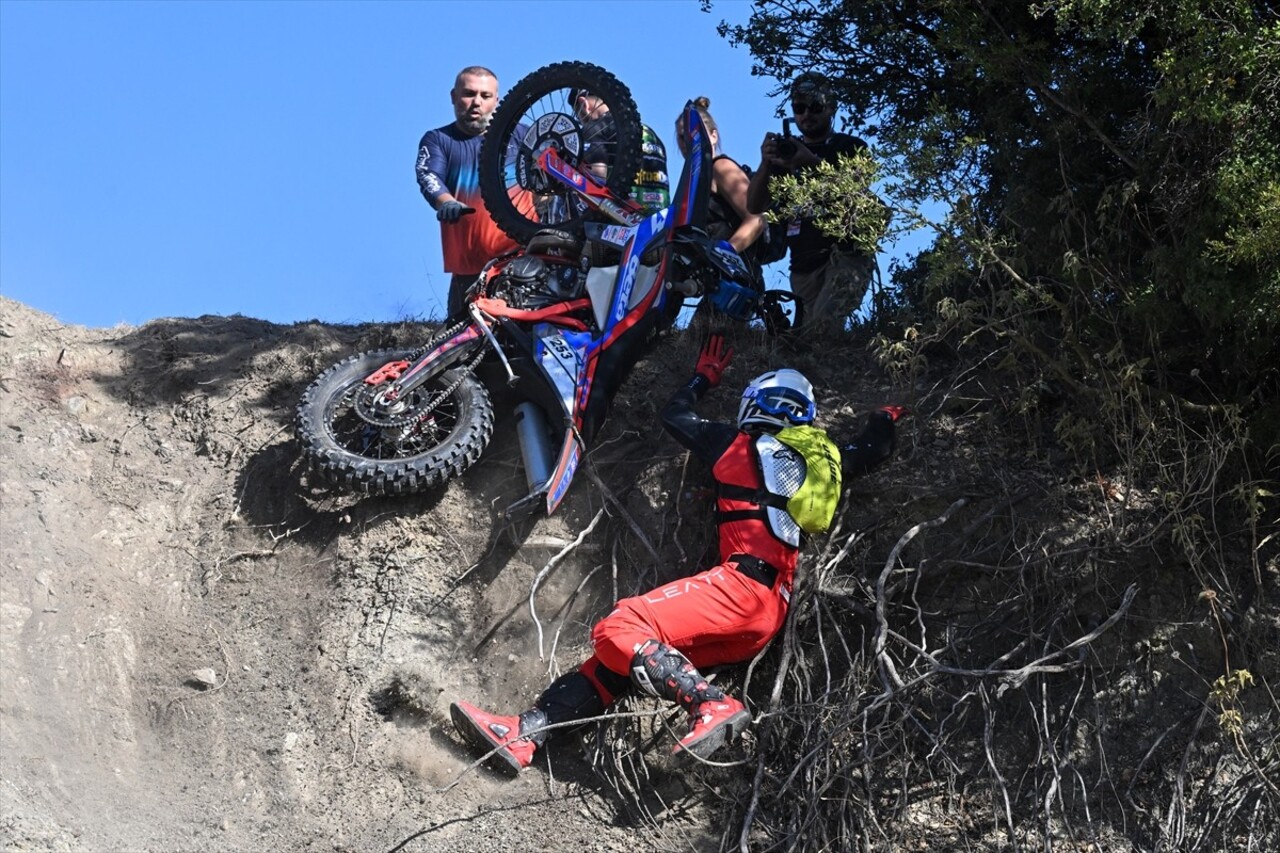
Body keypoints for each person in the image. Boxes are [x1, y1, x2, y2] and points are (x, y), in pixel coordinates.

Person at [450, 334, 905, 774]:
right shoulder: (826, 464)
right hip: (769, 616)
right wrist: (885, 415)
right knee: (614, 663)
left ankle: (711, 704)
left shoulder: (736, 444)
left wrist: (703, 377)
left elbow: (676, 414)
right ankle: (524, 734)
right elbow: (874, 447)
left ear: (756, 404)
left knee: (618, 628)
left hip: (739, 588)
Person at [746, 72, 877, 336]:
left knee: (823, 329)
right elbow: (754, 206)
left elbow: (858, 191)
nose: (807, 114)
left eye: (816, 107)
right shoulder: (787, 153)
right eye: (799, 108)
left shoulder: (851, 147)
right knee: (806, 340)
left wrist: (810, 163)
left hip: (845, 256)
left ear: (831, 107)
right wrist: (766, 164)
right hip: (803, 264)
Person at [417, 66, 521, 320]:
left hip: (521, 264)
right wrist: (446, 202)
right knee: (459, 349)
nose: (476, 102)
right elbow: (428, 175)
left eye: (485, 96)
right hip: (468, 272)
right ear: (453, 96)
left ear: (497, 100)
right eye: (469, 94)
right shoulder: (439, 139)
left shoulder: (523, 136)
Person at [675, 97, 767, 291]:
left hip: (739, 280)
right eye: (682, 137)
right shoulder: (696, 179)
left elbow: (757, 219)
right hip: (719, 281)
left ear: (714, 136)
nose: (687, 143)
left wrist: (726, 252)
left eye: (693, 135)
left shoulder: (721, 167)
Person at [572, 88, 670, 213]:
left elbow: (596, 183)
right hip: (660, 222)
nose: (581, 122)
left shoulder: (595, 129)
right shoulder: (649, 133)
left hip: (624, 224)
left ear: (583, 104)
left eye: (578, 115)